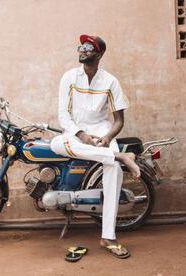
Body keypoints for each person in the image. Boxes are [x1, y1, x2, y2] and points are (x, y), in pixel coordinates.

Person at [50, 34, 140, 259]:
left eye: (88, 47)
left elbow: (118, 120)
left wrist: (107, 138)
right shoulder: (69, 77)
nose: (82, 50)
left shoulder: (110, 81)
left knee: (114, 173)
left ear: (99, 54)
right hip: (74, 132)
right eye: (81, 46)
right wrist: (80, 134)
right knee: (54, 144)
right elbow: (63, 115)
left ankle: (108, 237)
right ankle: (121, 157)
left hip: (102, 133)